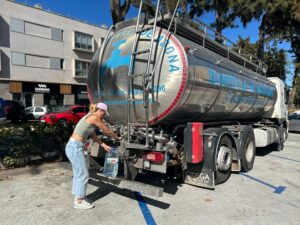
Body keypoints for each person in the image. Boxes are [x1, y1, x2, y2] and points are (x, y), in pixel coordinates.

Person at [65, 102, 119, 210]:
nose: (103, 116)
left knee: (78, 174)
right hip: (75, 147)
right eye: (104, 114)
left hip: (74, 146)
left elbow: (93, 135)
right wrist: (117, 137)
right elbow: (107, 131)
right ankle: (78, 201)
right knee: (83, 175)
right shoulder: (94, 117)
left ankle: (79, 197)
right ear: (101, 111)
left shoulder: (89, 116)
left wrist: (104, 145)